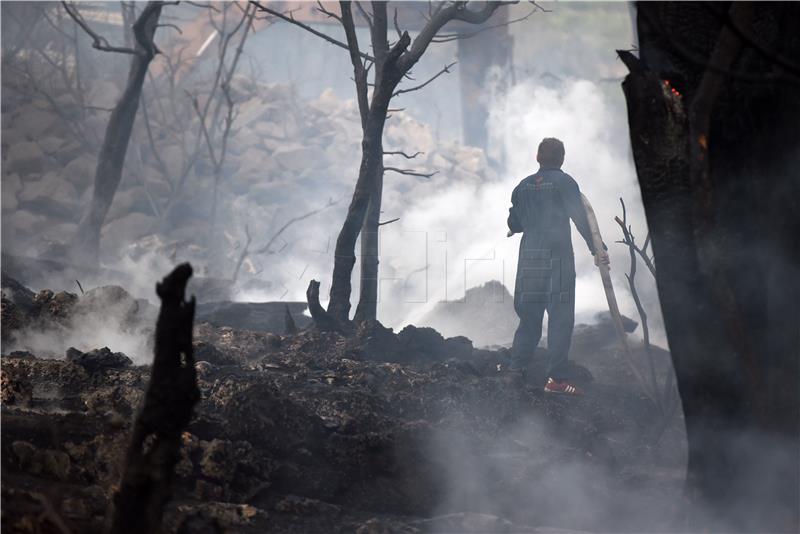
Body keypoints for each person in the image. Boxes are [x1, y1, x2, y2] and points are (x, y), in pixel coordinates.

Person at [507, 137, 609, 395]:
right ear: (562, 159)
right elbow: (581, 219)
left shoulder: (522, 187)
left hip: (530, 260)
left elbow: (514, 224)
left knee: (529, 317)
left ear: (538, 157)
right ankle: (556, 380)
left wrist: (527, 220)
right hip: (557, 260)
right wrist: (598, 249)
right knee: (560, 318)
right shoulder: (566, 183)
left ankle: (515, 371)